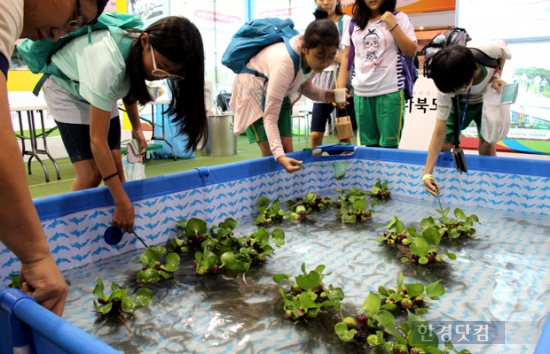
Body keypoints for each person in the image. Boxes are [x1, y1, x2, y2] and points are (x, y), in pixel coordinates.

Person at [29, 16, 207, 233]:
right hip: (66, 88)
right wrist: (122, 201)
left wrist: (136, 126)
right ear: (144, 41)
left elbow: (128, 83)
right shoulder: (108, 63)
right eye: (162, 67)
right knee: (91, 173)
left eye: (171, 73)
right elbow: (97, 142)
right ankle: (61, 232)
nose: (162, 76)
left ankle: (112, 223)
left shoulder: (137, 53)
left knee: (115, 162)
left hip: (99, 90)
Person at [0, 0, 108, 317]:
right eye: (75, 19)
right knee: (87, 173)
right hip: (62, 95)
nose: (59, 33)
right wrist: (36, 257)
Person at [230, 8, 341, 173]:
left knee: (288, 150)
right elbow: (270, 117)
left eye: (331, 56)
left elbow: (303, 86)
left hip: (278, 92)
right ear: (304, 48)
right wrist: (279, 156)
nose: (325, 63)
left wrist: (327, 95)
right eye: (320, 55)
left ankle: (286, 193)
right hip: (253, 93)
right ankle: (267, 193)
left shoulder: (311, 62)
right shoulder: (285, 64)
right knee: (271, 153)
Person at [421, 41, 512, 196]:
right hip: (460, 105)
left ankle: (490, 188)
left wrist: (496, 76)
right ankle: (448, 186)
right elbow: (439, 132)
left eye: (458, 90)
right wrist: (427, 174)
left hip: (485, 99)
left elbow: (504, 54)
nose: (454, 92)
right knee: (445, 145)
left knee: (487, 145)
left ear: (472, 74)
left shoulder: (489, 50)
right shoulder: (447, 90)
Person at [336, 0, 417, 148]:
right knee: (370, 149)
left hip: (390, 92)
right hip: (361, 94)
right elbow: (346, 57)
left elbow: (411, 51)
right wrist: (340, 89)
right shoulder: (354, 23)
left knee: (389, 149)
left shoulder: (399, 18)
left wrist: (393, 25)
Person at [309, 0, 356, 149]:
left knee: (344, 134)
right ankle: (314, 168)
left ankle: (346, 169)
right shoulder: (315, 24)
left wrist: (326, 53)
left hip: (343, 82)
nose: (325, 2)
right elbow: (314, 53)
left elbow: (347, 56)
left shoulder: (347, 21)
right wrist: (336, 55)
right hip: (321, 82)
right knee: (316, 135)